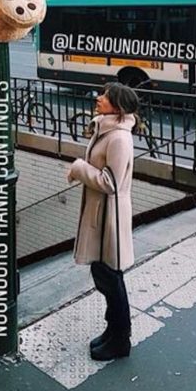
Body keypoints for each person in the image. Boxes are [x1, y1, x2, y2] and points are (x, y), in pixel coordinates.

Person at [66, 83, 140, 361]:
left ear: (117, 107)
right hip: (102, 213)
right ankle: (113, 332)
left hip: (110, 217)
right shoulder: (107, 129)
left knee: (111, 276)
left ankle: (121, 338)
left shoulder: (118, 138)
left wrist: (79, 168)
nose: (98, 98)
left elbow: (111, 183)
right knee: (105, 275)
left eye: (105, 97)